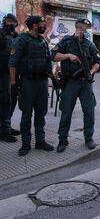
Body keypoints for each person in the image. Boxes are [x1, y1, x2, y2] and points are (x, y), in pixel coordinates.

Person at [51, 18, 100, 153]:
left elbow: (97, 61)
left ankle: (89, 138)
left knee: (89, 111)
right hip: (71, 82)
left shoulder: (89, 44)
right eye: (83, 28)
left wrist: (91, 71)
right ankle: (62, 140)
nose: (85, 30)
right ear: (78, 28)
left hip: (85, 82)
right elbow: (53, 56)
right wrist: (68, 55)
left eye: (86, 28)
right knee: (66, 112)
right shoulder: (66, 42)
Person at [9, 16, 54, 156]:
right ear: (35, 25)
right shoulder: (22, 40)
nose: (44, 26)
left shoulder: (42, 40)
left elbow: (47, 60)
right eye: (42, 23)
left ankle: (40, 141)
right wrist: (13, 83)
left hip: (42, 82)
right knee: (26, 114)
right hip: (28, 82)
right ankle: (25, 144)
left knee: (41, 114)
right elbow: (13, 62)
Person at [0, 14, 19, 142]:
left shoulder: (15, 36)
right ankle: (4, 131)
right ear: (4, 22)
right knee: (5, 101)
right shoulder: (0, 34)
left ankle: (7, 126)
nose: (11, 24)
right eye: (8, 21)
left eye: (13, 22)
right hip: (2, 74)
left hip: (13, 73)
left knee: (12, 99)